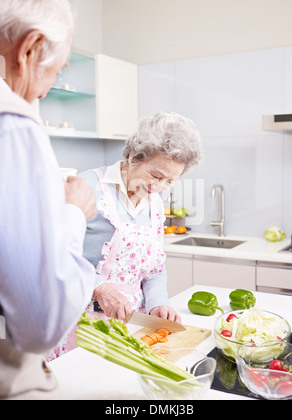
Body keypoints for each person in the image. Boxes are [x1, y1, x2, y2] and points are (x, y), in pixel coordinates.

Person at [0, 0, 99, 400]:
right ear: (29, 49)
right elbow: (40, 324)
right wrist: (73, 213)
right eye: (55, 73)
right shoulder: (15, 128)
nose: (43, 90)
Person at [60, 112, 202, 355]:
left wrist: (158, 305)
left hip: (132, 327)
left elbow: (155, 269)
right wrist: (100, 288)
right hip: (79, 326)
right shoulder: (86, 187)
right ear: (134, 156)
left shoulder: (155, 204)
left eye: (169, 181)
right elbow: (54, 254)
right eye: (156, 175)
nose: (158, 187)